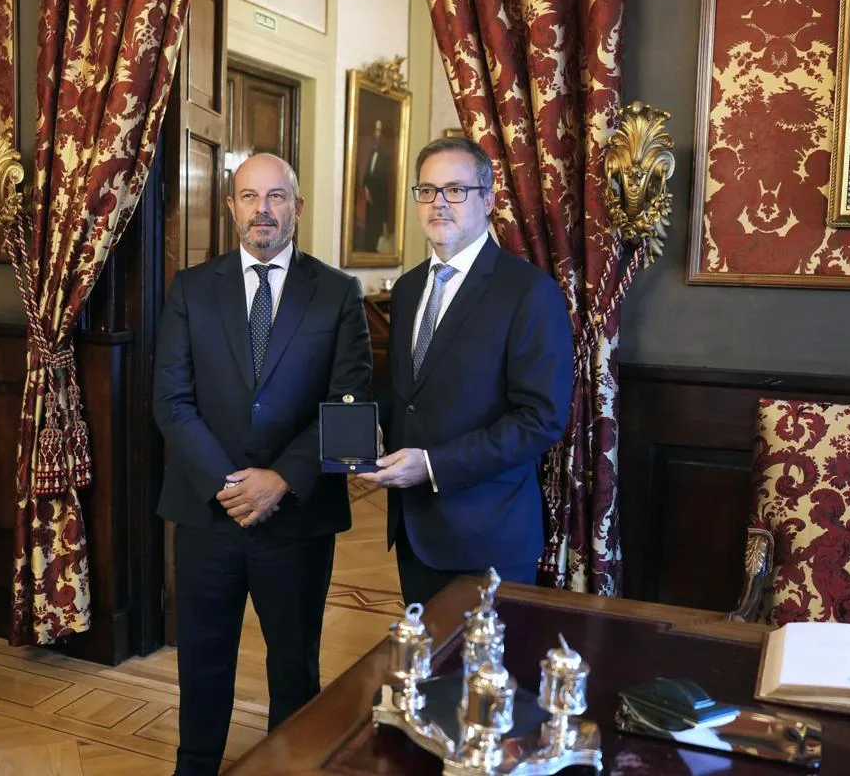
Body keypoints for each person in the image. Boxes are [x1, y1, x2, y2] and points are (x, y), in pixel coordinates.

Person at [153, 153, 372, 776]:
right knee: (202, 657)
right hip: (207, 512)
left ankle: (290, 766)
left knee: (295, 663)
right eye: (249, 197)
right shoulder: (191, 289)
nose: (263, 210)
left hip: (297, 517)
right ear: (231, 208)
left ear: (296, 209)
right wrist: (231, 484)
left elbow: (350, 404)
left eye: (276, 198)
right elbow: (171, 401)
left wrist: (281, 480)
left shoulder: (336, 292)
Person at [358, 136, 573, 606]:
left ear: (488, 200)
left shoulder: (529, 292)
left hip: (488, 537)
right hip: (414, 529)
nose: (439, 203)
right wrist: (364, 430)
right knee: (428, 675)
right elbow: (406, 390)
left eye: (456, 190)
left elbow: (541, 419)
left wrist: (433, 466)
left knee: (482, 680)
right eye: (427, 191)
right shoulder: (411, 286)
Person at [356, 118, 390, 252]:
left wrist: (373, 194)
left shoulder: (384, 156)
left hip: (379, 199)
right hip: (369, 198)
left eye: (380, 131)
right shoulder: (371, 153)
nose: (378, 134)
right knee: (369, 226)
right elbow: (367, 175)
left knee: (376, 226)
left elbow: (384, 182)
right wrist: (366, 190)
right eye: (376, 130)